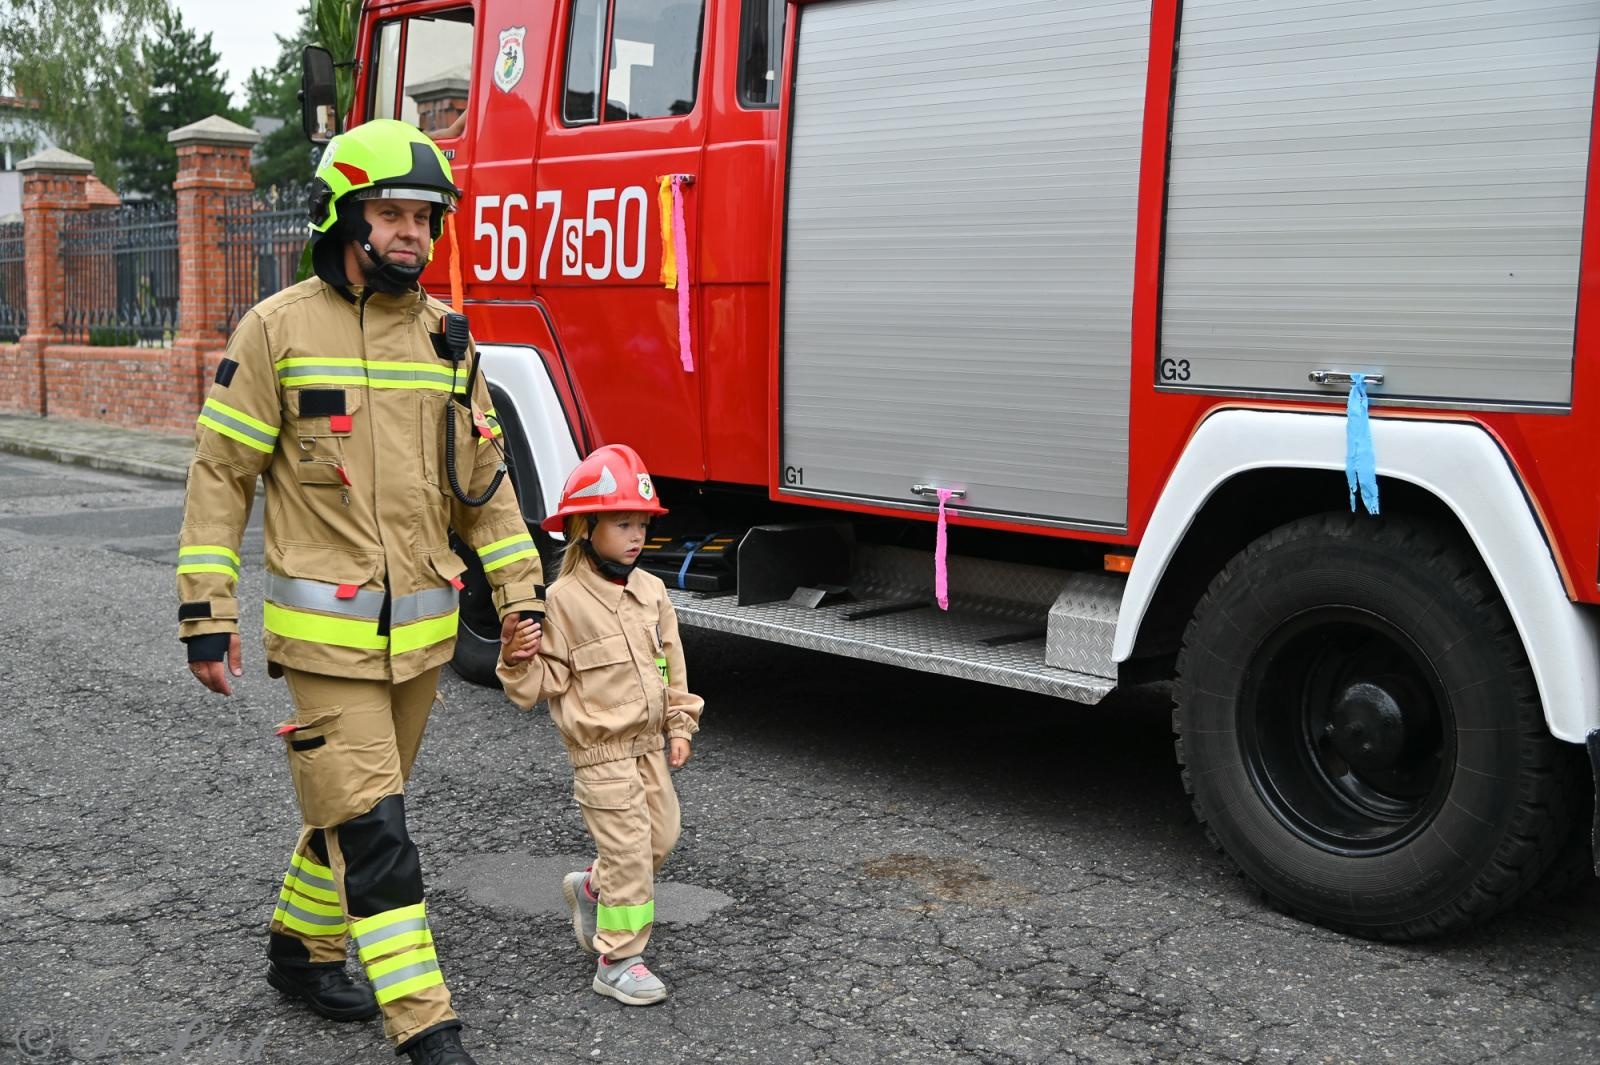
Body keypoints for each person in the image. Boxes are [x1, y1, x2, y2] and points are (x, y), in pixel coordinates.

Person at [177, 118, 543, 1065]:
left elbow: (484, 490)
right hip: (323, 642)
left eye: (426, 217)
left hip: (418, 638)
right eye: (392, 215)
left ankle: (301, 950)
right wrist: (205, 618)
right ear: (343, 216)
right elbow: (221, 477)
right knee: (379, 831)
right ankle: (427, 1025)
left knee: (349, 807)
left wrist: (522, 600)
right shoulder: (275, 329)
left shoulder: (446, 342)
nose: (413, 235)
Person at [496, 444, 703, 1006]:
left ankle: (592, 889)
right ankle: (618, 958)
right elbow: (539, 684)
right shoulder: (560, 600)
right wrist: (516, 657)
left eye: (641, 523)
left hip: (648, 746)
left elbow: (671, 663)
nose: (636, 535)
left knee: (662, 838)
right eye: (622, 523)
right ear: (585, 527)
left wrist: (680, 725)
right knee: (631, 854)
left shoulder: (651, 591)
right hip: (601, 755)